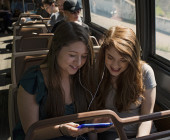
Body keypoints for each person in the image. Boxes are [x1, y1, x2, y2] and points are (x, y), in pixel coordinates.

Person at [13, 21, 95, 140]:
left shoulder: (83, 76)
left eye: (84, 56)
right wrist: (61, 130)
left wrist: (95, 124)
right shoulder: (33, 79)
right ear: (56, 50)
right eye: (72, 55)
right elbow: (31, 132)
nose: (78, 63)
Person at [95, 26, 157, 139]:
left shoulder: (145, 72)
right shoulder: (97, 72)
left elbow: (146, 119)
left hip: (144, 134)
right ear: (104, 54)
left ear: (132, 59)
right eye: (110, 57)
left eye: (123, 60)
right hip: (113, 133)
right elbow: (92, 116)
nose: (115, 65)